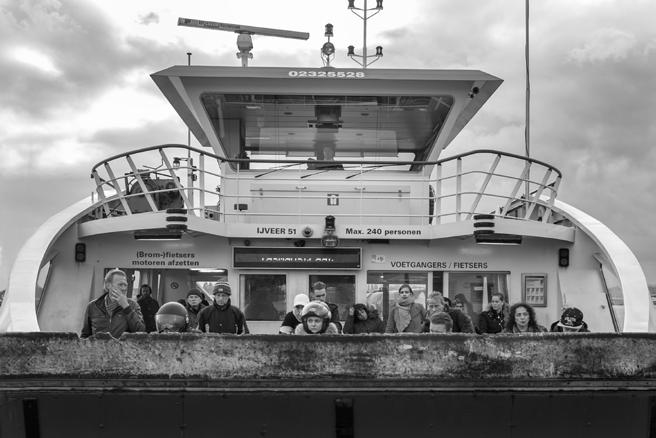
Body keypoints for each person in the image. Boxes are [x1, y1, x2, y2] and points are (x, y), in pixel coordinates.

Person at [81, 269, 145, 338]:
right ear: (108, 285)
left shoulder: (133, 305)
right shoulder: (93, 306)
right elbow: (85, 335)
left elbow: (140, 332)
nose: (124, 288)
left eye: (125, 285)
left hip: (123, 348)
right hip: (99, 348)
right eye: (120, 285)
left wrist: (126, 307)